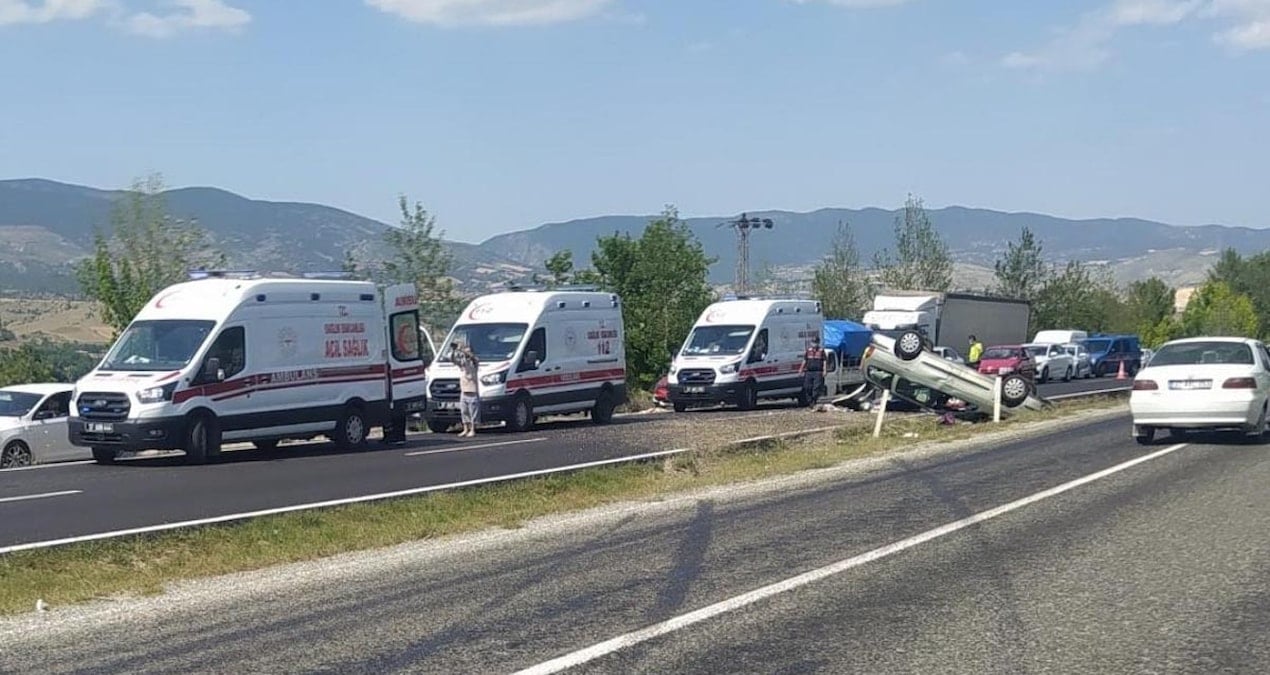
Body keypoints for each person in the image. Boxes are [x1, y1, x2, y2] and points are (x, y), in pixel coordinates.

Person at [452, 340, 481, 437]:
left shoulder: (474, 362)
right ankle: (465, 429)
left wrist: (464, 350)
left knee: (473, 411)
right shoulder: (463, 364)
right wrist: (454, 350)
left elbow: (473, 358)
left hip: (472, 390)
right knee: (464, 411)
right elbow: (453, 360)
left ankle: (473, 429)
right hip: (464, 390)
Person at [800, 336, 827, 403]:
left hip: (818, 372)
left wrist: (825, 370)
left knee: (816, 387)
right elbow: (804, 360)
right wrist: (801, 369)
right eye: (813, 342)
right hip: (809, 372)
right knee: (807, 387)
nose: (814, 344)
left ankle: (814, 400)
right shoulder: (808, 351)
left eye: (815, 342)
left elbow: (824, 361)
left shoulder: (821, 351)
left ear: (818, 343)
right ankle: (809, 400)